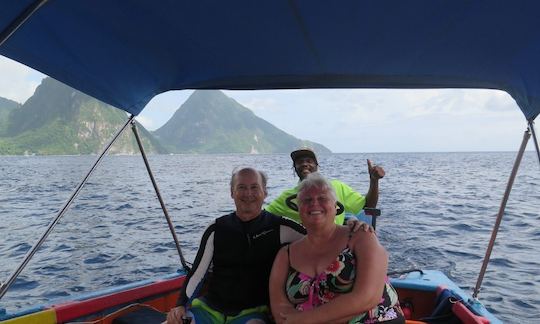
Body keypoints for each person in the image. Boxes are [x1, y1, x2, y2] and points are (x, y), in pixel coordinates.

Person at [166, 167, 307, 324]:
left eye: (254, 187)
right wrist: (180, 305)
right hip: (209, 309)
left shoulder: (281, 228)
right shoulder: (216, 228)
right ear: (232, 192)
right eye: (241, 187)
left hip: (253, 313)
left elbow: (317, 242)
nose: (248, 193)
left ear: (265, 192)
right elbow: (197, 273)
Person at [269, 172, 404, 324]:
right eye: (307, 200)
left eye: (322, 198)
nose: (314, 203)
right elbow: (280, 308)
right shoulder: (286, 255)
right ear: (299, 210)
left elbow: (368, 297)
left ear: (336, 207)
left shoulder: (360, 236)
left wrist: (305, 319)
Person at [265, 148, 385, 225]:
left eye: (309, 161)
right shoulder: (287, 197)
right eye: (299, 162)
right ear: (294, 168)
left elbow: (368, 206)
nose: (304, 164)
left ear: (317, 165)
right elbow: (263, 216)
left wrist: (374, 181)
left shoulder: (337, 187)